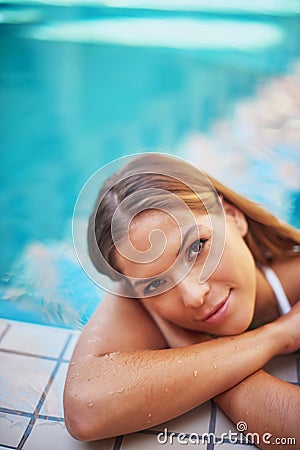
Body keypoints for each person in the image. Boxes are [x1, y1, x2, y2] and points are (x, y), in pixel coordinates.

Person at [63, 153, 300, 448]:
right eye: (157, 284)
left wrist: (200, 361)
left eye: (197, 247)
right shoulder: (142, 287)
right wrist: (277, 336)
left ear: (234, 217)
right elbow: (86, 409)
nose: (194, 295)